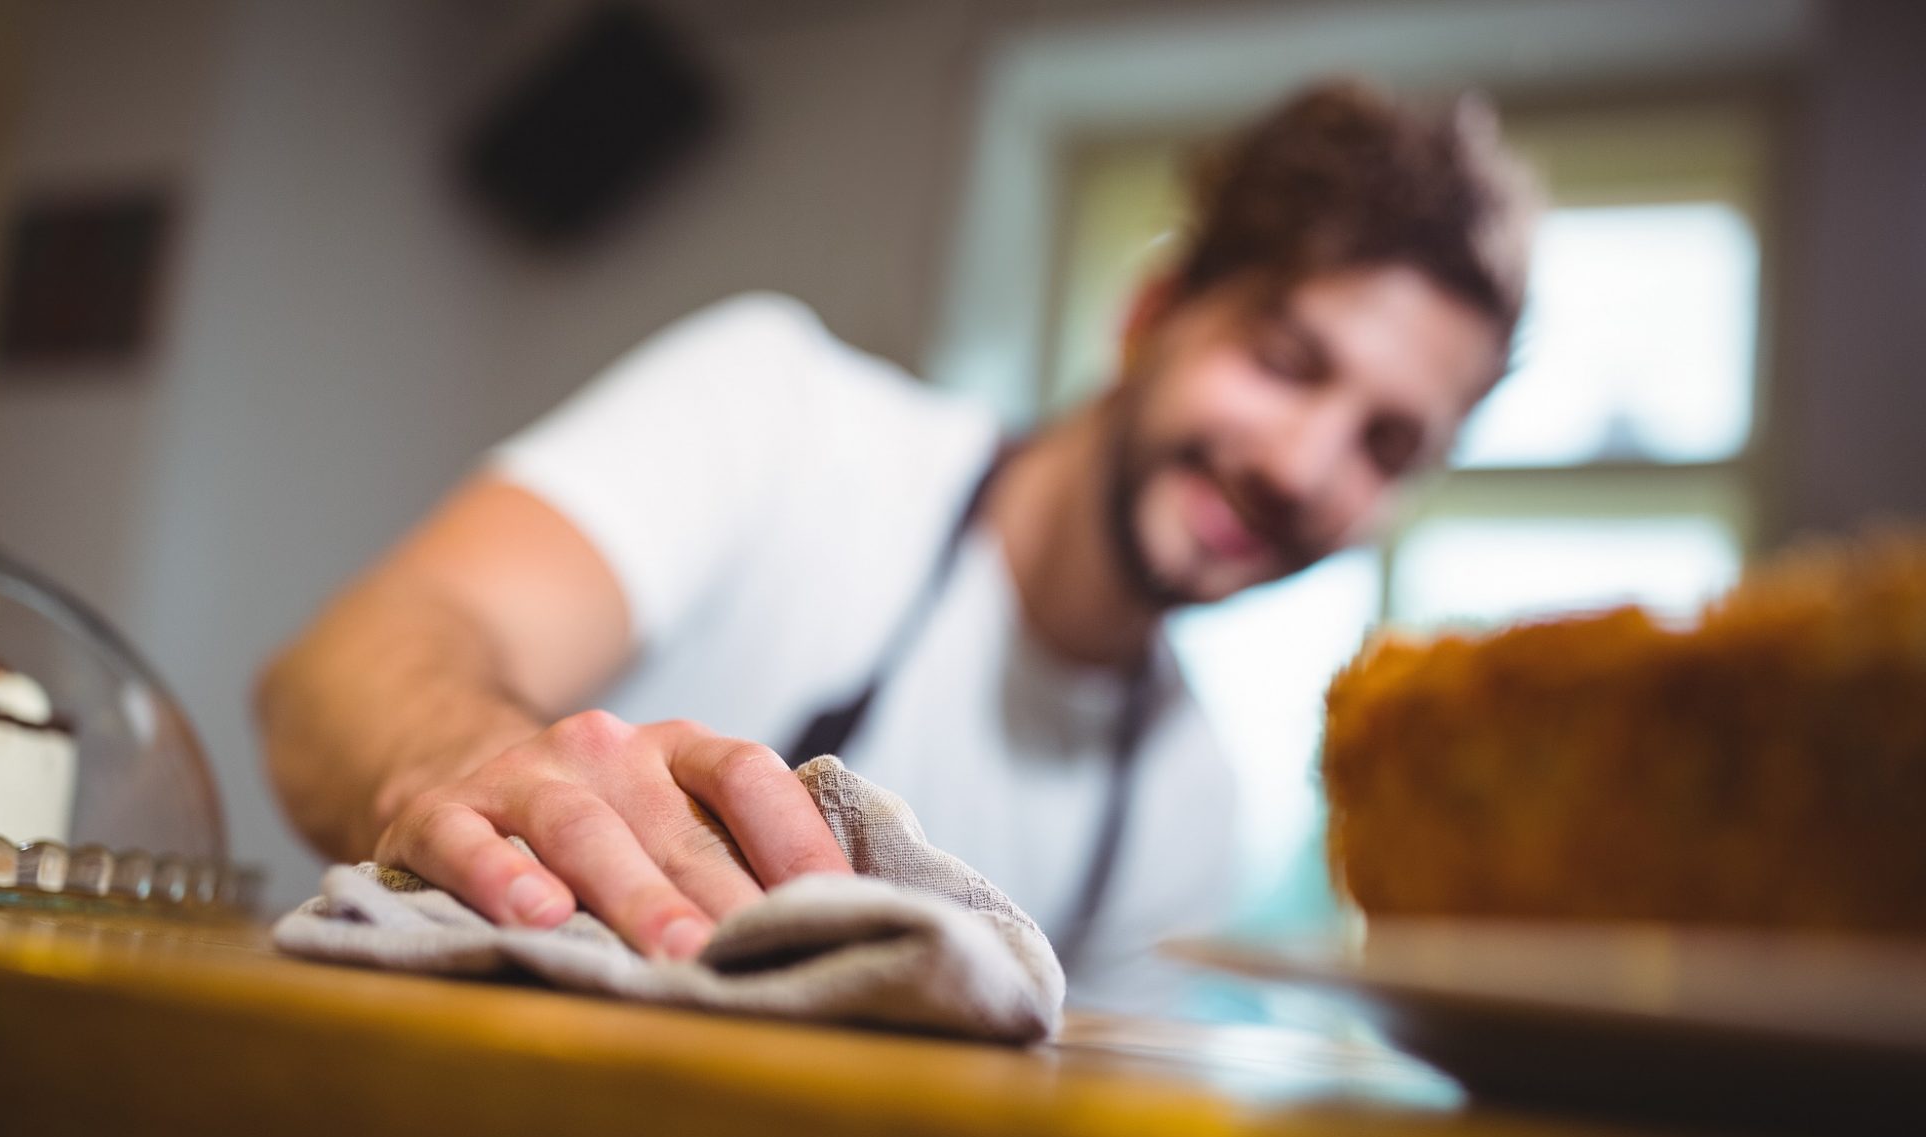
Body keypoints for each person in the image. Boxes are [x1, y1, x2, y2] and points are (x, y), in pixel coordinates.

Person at [257, 80, 1538, 1010]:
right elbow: (339, 672)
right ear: (1151, 316)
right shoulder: (783, 413)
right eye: (1282, 361)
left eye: (1383, 445)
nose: (1302, 466)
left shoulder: (1184, 813)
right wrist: (471, 778)